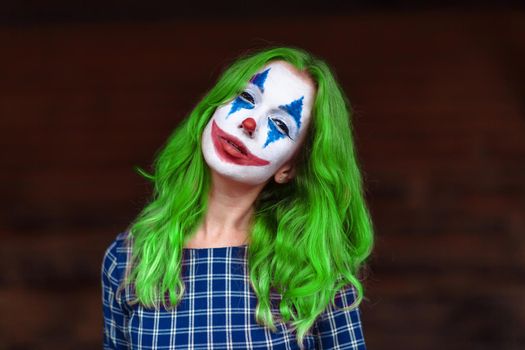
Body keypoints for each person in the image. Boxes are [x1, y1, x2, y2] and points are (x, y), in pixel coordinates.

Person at [101, 47, 374, 349]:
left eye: (280, 124)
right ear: (214, 105)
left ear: (289, 168)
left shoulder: (314, 271)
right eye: (247, 98)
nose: (250, 123)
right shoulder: (129, 258)